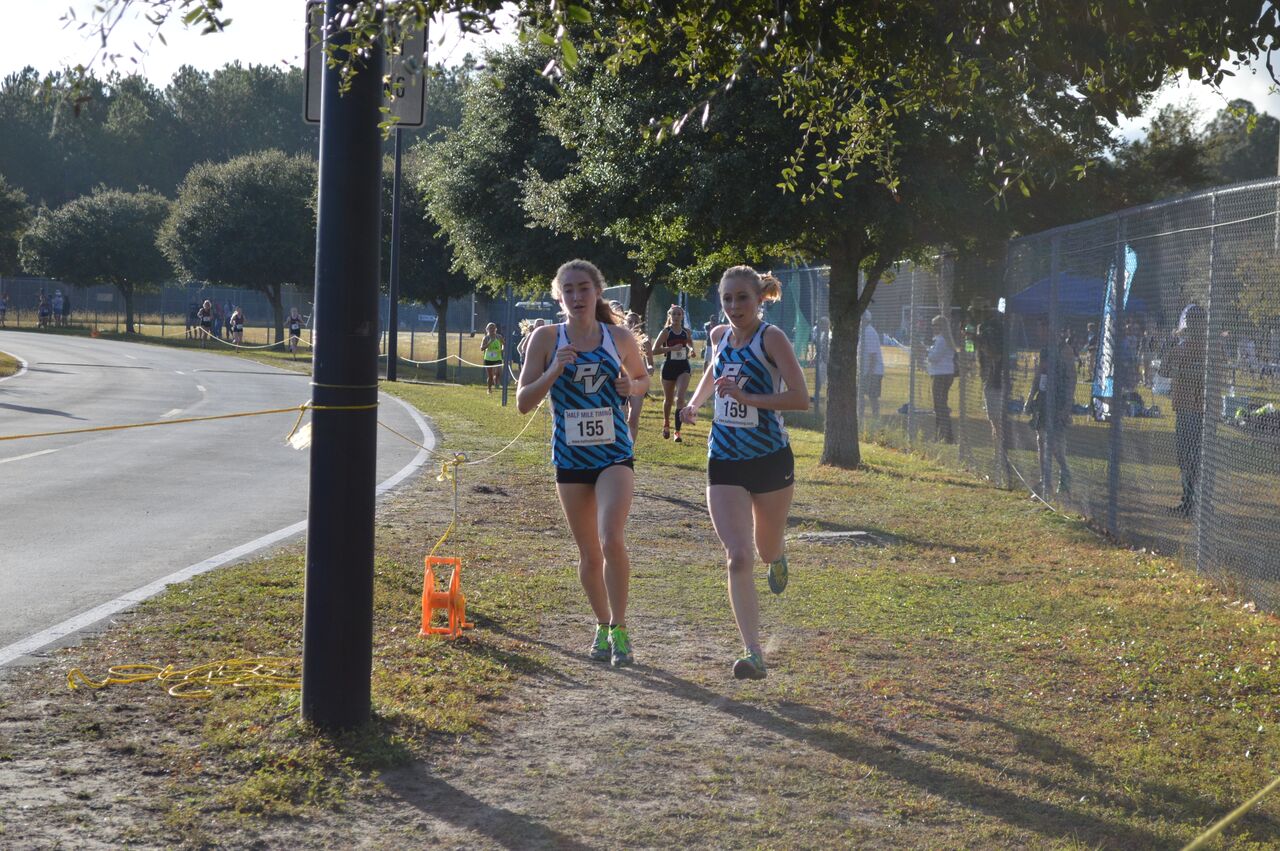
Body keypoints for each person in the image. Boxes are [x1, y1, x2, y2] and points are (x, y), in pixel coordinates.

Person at [517, 259, 650, 668]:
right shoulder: (546, 338)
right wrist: (554, 370)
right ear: (559, 297)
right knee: (590, 554)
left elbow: (643, 380)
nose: (577, 297)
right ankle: (603, 624)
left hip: (613, 454)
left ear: (598, 292)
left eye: (584, 289)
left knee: (611, 538)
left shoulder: (619, 337)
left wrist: (632, 387)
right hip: (570, 457)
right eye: (568, 290)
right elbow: (524, 402)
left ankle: (622, 630)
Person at [680, 266, 808, 680]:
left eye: (742, 299)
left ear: (759, 299)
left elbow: (800, 398)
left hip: (770, 458)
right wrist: (696, 404)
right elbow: (712, 374)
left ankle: (777, 556)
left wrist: (747, 397)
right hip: (725, 459)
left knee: (766, 548)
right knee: (737, 555)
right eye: (727, 300)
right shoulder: (718, 336)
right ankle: (753, 652)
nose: (734, 307)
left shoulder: (771, 339)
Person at [1166, 304, 1207, 516]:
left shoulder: (1195, 348)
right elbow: (1165, 371)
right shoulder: (1187, 347)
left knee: (1190, 457)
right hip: (1192, 408)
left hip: (1194, 409)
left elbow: (1166, 370)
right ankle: (1190, 499)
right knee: (1189, 456)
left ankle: (1192, 500)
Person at [1027, 320, 1075, 495]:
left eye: (1042, 328)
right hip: (1043, 399)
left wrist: (1067, 407)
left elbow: (1071, 380)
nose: (1039, 333)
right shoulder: (1044, 350)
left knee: (1055, 444)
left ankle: (1065, 472)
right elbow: (1039, 374)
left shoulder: (1065, 350)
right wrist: (1030, 397)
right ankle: (1045, 481)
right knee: (1041, 439)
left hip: (1059, 402)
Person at [972, 300, 1010, 487]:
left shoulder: (992, 332)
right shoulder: (985, 330)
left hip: (996, 383)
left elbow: (995, 354)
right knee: (993, 421)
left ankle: (1001, 455)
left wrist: (980, 341)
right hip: (989, 381)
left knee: (997, 421)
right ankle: (997, 454)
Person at [653, 304, 695, 442]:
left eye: (679, 314)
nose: (676, 316)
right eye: (674, 314)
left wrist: (692, 350)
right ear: (670, 316)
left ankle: (677, 432)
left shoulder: (686, 331)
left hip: (683, 367)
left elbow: (689, 343)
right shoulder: (666, 332)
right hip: (669, 367)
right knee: (669, 400)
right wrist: (671, 348)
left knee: (680, 398)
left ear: (682, 317)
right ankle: (666, 424)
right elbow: (654, 350)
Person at [926, 315, 956, 443]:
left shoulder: (942, 340)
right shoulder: (940, 340)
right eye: (932, 325)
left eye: (936, 325)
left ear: (942, 327)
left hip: (941, 376)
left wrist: (925, 352)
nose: (933, 328)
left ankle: (946, 436)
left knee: (940, 406)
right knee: (939, 405)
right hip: (943, 374)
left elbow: (934, 358)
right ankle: (940, 435)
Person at [624, 311, 653, 439]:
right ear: (625, 323)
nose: (633, 325)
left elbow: (650, 362)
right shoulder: (619, 339)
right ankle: (621, 447)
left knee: (633, 418)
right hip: (621, 381)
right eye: (630, 322)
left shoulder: (645, 341)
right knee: (621, 417)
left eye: (636, 322)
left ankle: (630, 450)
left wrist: (650, 368)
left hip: (637, 381)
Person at [857, 311, 883, 422]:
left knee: (872, 397)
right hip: (866, 371)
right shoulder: (864, 332)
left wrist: (869, 374)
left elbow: (873, 355)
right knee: (860, 394)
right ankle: (860, 416)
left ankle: (876, 419)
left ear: (866, 320)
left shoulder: (869, 332)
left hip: (873, 372)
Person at [481, 322, 504, 393]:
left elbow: (504, 344)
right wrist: (489, 343)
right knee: (490, 376)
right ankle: (489, 389)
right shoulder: (486, 338)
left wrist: (502, 349)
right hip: (488, 359)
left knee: (499, 372)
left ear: (496, 329)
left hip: (498, 358)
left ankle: (496, 380)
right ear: (487, 329)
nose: (492, 329)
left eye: (493, 328)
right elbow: (482, 348)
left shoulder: (499, 337)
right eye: (490, 328)